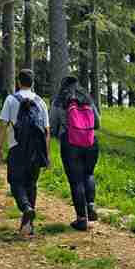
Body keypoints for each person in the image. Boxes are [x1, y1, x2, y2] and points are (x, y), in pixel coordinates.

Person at [0, 68, 50, 237]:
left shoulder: (11, 100)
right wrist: (46, 155)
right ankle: (28, 226)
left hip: (16, 147)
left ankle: (26, 207)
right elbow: (46, 131)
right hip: (36, 149)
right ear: (33, 83)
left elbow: (3, 125)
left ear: (19, 82)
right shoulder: (41, 102)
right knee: (31, 184)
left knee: (15, 182)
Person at [50, 76, 101, 231]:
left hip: (70, 143)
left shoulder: (59, 101)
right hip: (90, 142)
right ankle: (90, 204)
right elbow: (98, 123)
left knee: (76, 181)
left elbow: (52, 126)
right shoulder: (87, 98)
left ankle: (81, 219)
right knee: (88, 174)